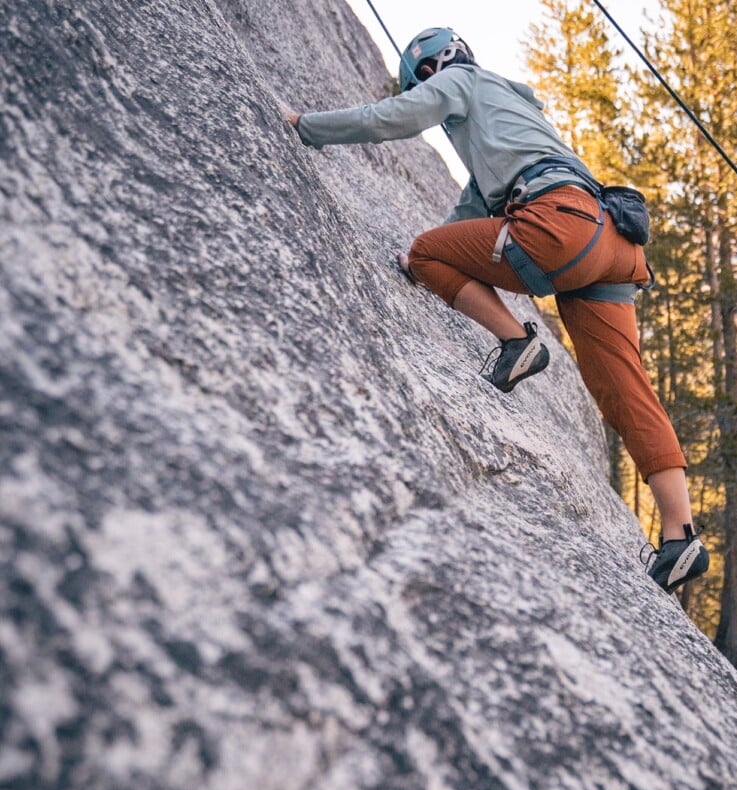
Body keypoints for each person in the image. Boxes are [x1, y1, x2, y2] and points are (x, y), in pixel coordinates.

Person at [281, 27, 709, 594]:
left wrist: (306, 127)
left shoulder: (459, 80)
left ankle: (517, 342)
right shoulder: (511, 109)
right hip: (611, 243)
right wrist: (439, 242)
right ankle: (682, 538)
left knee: (426, 253)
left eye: (425, 80)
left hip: (558, 227)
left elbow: (392, 119)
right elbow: (470, 213)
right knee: (625, 390)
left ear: (433, 69)